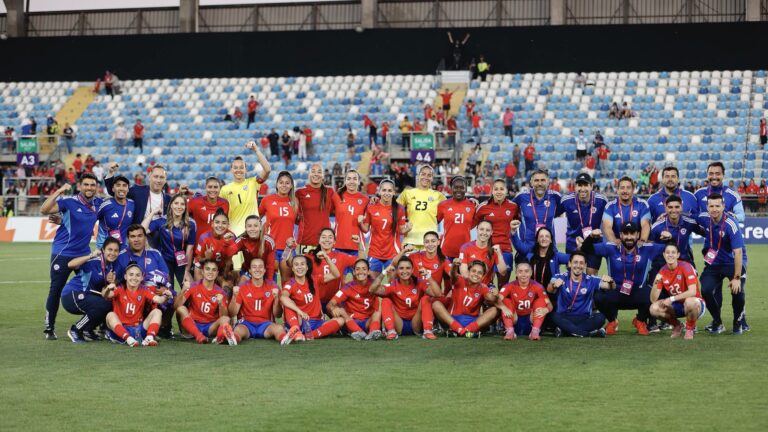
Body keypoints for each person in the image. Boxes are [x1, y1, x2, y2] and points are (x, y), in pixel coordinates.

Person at [40, 173, 102, 340]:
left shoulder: (98, 203)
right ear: (80, 186)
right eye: (86, 185)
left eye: (92, 185)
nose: (90, 188)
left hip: (83, 254)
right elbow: (44, 210)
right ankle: (49, 327)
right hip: (63, 253)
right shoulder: (69, 202)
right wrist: (59, 190)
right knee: (56, 290)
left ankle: (90, 327)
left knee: (96, 285)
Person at [582, 223, 666, 336]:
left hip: (638, 293)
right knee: (598, 296)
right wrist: (591, 237)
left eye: (632, 233)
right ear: (621, 235)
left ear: (637, 235)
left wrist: (670, 238)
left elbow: (671, 248)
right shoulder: (610, 248)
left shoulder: (647, 249)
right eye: (626, 233)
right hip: (616, 292)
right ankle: (612, 321)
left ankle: (640, 321)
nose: (629, 237)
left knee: (655, 294)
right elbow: (586, 249)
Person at [695, 193, 748, 335]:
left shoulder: (731, 224)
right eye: (711, 206)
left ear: (723, 206)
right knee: (706, 290)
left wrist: (736, 278)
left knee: (738, 291)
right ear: (707, 207)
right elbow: (688, 218)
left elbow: (738, 252)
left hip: (733, 263)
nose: (714, 209)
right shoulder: (704, 218)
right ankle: (717, 322)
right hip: (714, 264)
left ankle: (738, 322)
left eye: (718, 206)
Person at [60, 238, 120, 343]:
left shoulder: (110, 266)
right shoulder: (94, 261)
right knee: (102, 305)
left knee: (109, 303)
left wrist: (112, 283)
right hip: (72, 295)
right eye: (110, 250)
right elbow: (70, 264)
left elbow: (103, 292)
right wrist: (90, 255)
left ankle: (87, 330)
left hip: (85, 295)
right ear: (103, 250)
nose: (113, 253)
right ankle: (76, 329)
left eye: (116, 250)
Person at [369, 257, 441, 340]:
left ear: (412, 269)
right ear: (397, 270)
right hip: (399, 324)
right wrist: (384, 272)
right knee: (386, 301)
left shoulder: (419, 282)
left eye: (408, 268)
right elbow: (372, 289)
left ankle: (428, 331)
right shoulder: (393, 285)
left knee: (426, 298)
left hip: (416, 323)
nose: (404, 271)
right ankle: (391, 331)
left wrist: (428, 276)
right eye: (401, 268)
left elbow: (437, 293)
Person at [547, 252, 615, 338]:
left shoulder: (591, 279)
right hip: (564, 317)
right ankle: (588, 334)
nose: (578, 265)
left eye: (581, 263)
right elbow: (549, 289)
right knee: (552, 315)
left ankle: (565, 331)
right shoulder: (560, 277)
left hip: (584, 318)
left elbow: (610, 287)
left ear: (585, 265)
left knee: (600, 317)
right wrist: (554, 286)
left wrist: (611, 281)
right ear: (569, 263)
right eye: (575, 262)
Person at [280, 255, 345, 344]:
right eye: (296, 264)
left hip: (317, 322)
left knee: (340, 320)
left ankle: (310, 335)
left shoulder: (314, 279)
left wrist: (327, 258)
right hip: (300, 321)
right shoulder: (290, 283)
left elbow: (336, 274)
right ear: (292, 268)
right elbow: (283, 297)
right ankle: (296, 330)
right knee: (288, 302)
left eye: (302, 264)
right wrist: (299, 311)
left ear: (307, 268)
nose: (299, 267)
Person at [102, 264, 171, 347]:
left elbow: (159, 300)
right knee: (110, 315)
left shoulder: (144, 290)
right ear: (125, 276)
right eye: (131, 274)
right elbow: (106, 295)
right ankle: (128, 339)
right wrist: (108, 289)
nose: (134, 278)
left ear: (142, 278)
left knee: (157, 312)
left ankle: (149, 338)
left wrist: (166, 296)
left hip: (138, 329)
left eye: (138, 275)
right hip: (121, 329)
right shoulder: (119, 289)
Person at [649, 243, 706, 340]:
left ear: (678, 255)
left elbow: (692, 291)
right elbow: (653, 299)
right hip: (677, 306)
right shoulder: (662, 271)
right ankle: (677, 325)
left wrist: (671, 299)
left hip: (696, 304)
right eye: (667, 252)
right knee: (653, 309)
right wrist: (656, 281)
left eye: (673, 252)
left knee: (690, 302)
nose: (670, 255)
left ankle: (689, 329)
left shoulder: (686, 267)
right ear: (664, 255)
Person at [142, 193, 196, 292]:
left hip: (182, 262)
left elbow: (190, 249)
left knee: (188, 288)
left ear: (185, 207)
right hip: (165, 261)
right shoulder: (162, 221)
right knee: (167, 290)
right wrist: (152, 213)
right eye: (176, 203)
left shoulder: (190, 224)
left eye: (182, 204)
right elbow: (142, 230)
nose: (179, 207)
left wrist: (187, 271)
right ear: (171, 205)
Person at [430, 260, 498, 338]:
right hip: (452, 319)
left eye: (480, 273)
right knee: (436, 304)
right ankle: (463, 331)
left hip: (472, 321)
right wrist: (454, 266)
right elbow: (453, 274)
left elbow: (492, 299)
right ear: (468, 272)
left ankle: (464, 330)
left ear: (482, 276)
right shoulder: (460, 280)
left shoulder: (483, 287)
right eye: (473, 271)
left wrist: (496, 295)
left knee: (494, 310)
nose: (476, 274)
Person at [175, 260, 236, 345]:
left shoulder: (220, 292)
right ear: (202, 272)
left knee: (226, 319)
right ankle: (199, 336)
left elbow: (224, 316)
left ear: (217, 273)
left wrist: (221, 304)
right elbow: (176, 306)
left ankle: (220, 338)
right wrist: (183, 290)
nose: (210, 272)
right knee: (181, 309)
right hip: (192, 324)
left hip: (210, 327)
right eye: (207, 269)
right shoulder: (193, 286)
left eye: (214, 270)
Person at [219, 141, 272, 240]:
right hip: (234, 234)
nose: (238, 170)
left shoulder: (253, 182)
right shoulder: (225, 189)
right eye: (235, 168)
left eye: (241, 167)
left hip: (253, 232)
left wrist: (256, 150)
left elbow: (267, 169)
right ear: (231, 169)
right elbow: (222, 213)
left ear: (246, 169)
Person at [359, 179, 411, 277]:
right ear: (379, 191)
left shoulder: (399, 209)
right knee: (373, 286)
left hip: (393, 254)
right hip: (374, 252)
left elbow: (401, 230)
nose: (386, 193)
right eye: (384, 190)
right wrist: (360, 222)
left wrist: (408, 228)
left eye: (389, 191)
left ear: (394, 192)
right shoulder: (371, 207)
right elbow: (365, 229)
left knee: (393, 285)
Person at [558, 173, 608, 274]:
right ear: (575, 187)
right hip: (573, 243)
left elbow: (609, 220)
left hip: (594, 243)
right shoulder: (567, 201)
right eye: (579, 185)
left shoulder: (601, 201)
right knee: (572, 275)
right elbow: (552, 214)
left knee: (591, 274)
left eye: (585, 185)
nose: (582, 188)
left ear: (591, 186)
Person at [229, 258, 287, 343]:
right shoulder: (242, 287)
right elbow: (232, 313)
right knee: (238, 330)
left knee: (279, 328)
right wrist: (234, 296)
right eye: (254, 267)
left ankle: (284, 339)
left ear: (264, 270)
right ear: (250, 271)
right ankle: (233, 339)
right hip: (246, 324)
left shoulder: (273, 287)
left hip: (266, 325)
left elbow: (277, 315)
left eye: (260, 267)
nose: (257, 269)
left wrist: (276, 299)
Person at [473, 178, 519, 285]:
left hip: (505, 250)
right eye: (496, 189)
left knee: (502, 286)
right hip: (487, 250)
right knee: (485, 285)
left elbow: (518, 222)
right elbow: (474, 223)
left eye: (501, 189)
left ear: (506, 191)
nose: (499, 192)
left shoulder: (513, 207)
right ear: (492, 191)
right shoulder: (483, 207)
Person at [326, 259, 383, 340]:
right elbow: (330, 304)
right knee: (341, 310)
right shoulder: (347, 287)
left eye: (364, 269)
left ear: (368, 271)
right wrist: (333, 308)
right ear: (354, 272)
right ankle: (359, 332)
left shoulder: (374, 285)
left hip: (368, 321)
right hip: (351, 321)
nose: (360, 271)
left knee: (379, 308)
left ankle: (373, 332)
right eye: (357, 269)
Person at [104, 162, 172, 230]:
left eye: (162, 177)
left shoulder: (169, 199)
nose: (158, 180)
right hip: (139, 235)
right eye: (156, 176)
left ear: (165, 180)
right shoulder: (137, 191)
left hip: (159, 237)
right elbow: (114, 192)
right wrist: (110, 173)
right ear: (149, 176)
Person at [497, 260, 553, 340]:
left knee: (541, 301)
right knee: (505, 301)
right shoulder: (509, 286)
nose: (523, 274)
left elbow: (549, 304)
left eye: (526, 271)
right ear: (516, 273)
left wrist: (546, 310)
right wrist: (503, 308)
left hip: (531, 320)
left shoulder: (537, 286)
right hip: (514, 320)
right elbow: (497, 300)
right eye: (520, 271)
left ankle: (535, 332)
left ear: (531, 273)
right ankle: (510, 331)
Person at [397, 165, 446, 248]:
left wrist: (469, 200)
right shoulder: (407, 193)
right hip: (410, 241)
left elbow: (453, 205)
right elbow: (392, 208)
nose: (426, 177)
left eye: (429, 175)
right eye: (423, 174)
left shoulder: (439, 195)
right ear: (418, 176)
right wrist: (376, 199)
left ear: (432, 178)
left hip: (430, 242)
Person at [513, 169, 563, 245]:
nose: (540, 183)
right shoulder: (521, 196)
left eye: (543, 180)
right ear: (531, 182)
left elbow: (565, 208)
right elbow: (509, 209)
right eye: (536, 180)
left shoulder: (555, 196)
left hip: (549, 249)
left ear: (548, 182)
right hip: (527, 249)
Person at [296, 163, 337, 254]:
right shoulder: (299, 192)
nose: (316, 174)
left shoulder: (330, 192)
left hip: (324, 243)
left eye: (319, 172)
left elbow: (339, 208)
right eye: (313, 171)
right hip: (305, 241)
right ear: (309, 174)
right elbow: (295, 217)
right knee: (304, 268)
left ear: (323, 176)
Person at [259, 171, 298, 264]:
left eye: (287, 183)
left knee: (287, 277)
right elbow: (257, 219)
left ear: (291, 185)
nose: (284, 185)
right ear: (276, 184)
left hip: (288, 247)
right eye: (281, 182)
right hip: (271, 246)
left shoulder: (295, 202)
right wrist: (261, 242)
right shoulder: (267, 200)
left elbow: (299, 222)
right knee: (271, 277)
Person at [225, 215, 276, 284]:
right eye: (249, 226)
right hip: (248, 271)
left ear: (260, 227)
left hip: (265, 272)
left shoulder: (268, 241)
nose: (252, 229)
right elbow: (229, 253)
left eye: (255, 226)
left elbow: (270, 265)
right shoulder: (242, 239)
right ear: (245, 228)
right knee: (240, 286)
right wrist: (228, 241)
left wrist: (269, 281)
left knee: (272, 291)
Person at [193, 209, 236, 290]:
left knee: (227, 287)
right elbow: (198, 259)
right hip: (204, 265)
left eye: (224, 223)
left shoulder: (232, 237)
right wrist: (207, 258)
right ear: (212, 224)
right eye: (217, 222)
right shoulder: (204, 237)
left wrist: (224, 276)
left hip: (222, 267)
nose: (220, 225)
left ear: (228, 225)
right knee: (202, 288)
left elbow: (229, 260)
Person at [601, 176, 651, 245]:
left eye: (628, 188)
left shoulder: (642, 204)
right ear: (617, 190)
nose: (625, 191)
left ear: (633, 190)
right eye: (622, 188)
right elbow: (607, 227)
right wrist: (615, 242)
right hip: (617, 246)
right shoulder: (610, 206)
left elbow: (645, 224)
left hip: (637, 247)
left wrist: (642, 242)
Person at [436, 176, 475, 260]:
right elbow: (434, 222)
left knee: (463, 273)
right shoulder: (443, 205)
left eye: (462, 188)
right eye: (456, 187)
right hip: (446, 250)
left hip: (465, 250)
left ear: (466, 189)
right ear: (451, 188)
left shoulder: (472, 205)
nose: (458, 190)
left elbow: (474, 225)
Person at [458, 219, 507, 286]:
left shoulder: (494, 250)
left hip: (486, 286)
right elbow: (464, 274)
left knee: (494, 295)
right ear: (477, 230)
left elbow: (503, 272)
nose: (484, 233)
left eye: (487, 230)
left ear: (491, 232)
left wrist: (499, 254)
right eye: (481, 229)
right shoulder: (465, 247)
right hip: (469, 285)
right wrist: (479, 287)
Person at [332, 170, 369, 255]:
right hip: (338, 244)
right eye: (349, 179)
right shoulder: (336, 196)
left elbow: (366, 229)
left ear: (359, 182)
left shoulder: (365, 199)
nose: (352, 181)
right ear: (345, 181)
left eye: (354, 179)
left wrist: (361, 223)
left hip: (357, 245)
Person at [96, 175, 135, 248]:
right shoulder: (105, 205)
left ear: (128, 189)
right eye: (118, 185)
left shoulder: (132, 204)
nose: (121, 188)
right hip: (105, 249)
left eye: (124, 185)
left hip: (123, 250)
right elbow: (90, 221)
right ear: (113, 189)